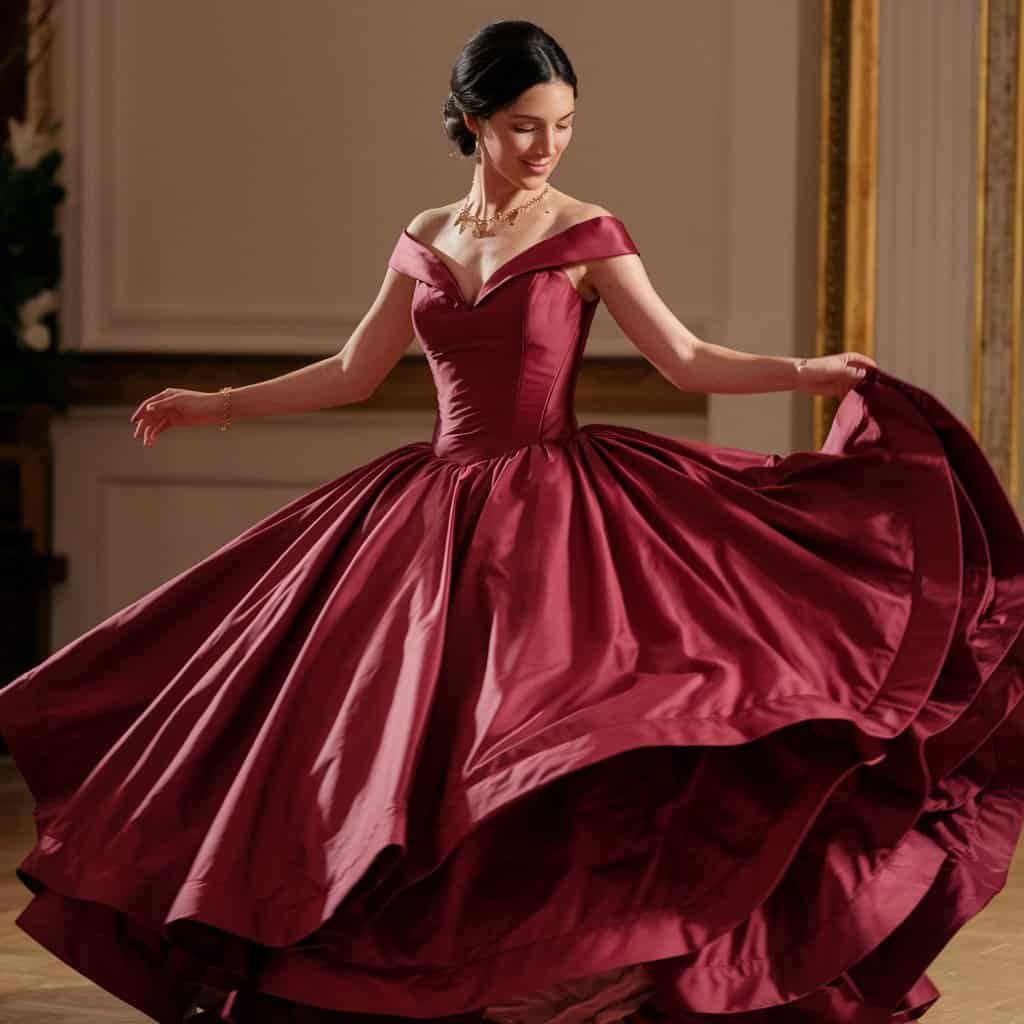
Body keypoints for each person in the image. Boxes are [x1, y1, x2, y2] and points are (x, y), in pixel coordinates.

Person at [1, 17, 1022, 1024]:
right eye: (528, 125)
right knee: (408, 752)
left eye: (564, 125)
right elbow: (356, 374)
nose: (548, 146)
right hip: (433, 511)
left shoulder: (587, 230)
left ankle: (586, 962)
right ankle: (446, 969)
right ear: (472, 120)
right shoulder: (425, 234)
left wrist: (807, 370)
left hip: (557, 512)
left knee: (545, 745)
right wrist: (215, 405)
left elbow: (685, 361)